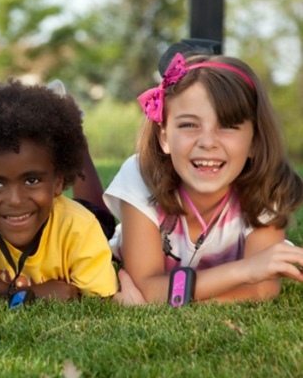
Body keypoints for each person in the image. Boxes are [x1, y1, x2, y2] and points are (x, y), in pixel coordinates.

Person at [106, 52, 303, 305]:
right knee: (91, 224)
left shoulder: (269, 186)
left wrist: (168, 300)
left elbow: (261, 290)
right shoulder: (141, 173)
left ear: (254, 140)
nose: (208, 142)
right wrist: (245, 270)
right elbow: (148, 285)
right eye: (189, 125)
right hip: (119, 248)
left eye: (228, 126)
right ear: (164, 137)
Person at [0, 79, 118, 302]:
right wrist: (31, 295)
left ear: (58, 182)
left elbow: (101, 299)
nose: (14, 200)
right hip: (48, 210)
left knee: (101, 217)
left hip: (78, 217)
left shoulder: (81, 227)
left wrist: (0, 293)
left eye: (31, 180)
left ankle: (78, 136)